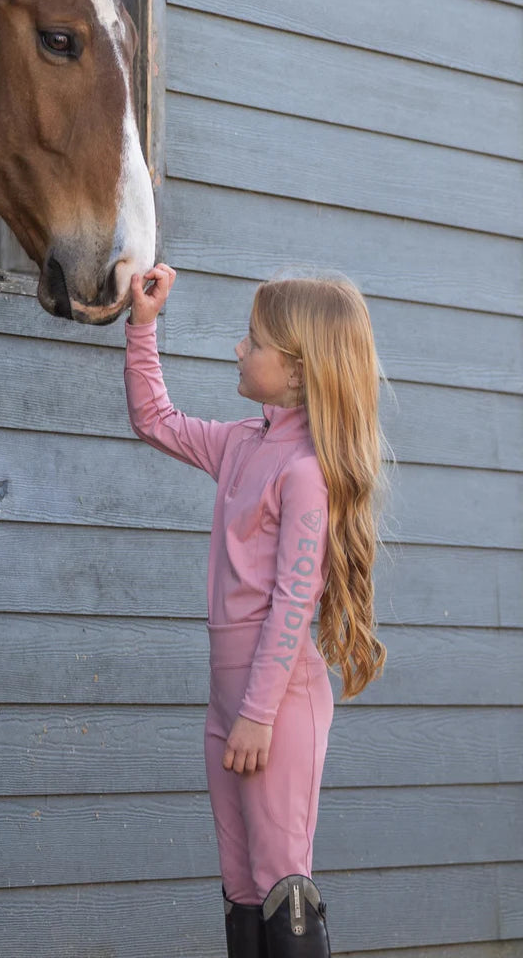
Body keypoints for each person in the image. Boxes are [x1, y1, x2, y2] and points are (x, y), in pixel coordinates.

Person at [124, 264, 388, 958]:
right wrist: (143, 325)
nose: (239, 350)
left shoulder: (304, 472)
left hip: (272, 707)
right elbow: (155, 419)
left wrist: (257, 714)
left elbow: (291, 604)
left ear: (298, 372)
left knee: (281, 885)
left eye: (253, 341)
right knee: (241, 889)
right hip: (229, 703)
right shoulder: (245, 443)